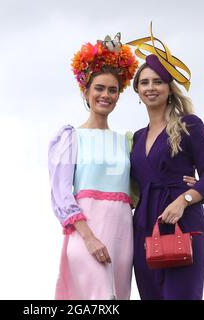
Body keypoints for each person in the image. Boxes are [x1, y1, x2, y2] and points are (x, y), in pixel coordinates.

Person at [127, 23, 204, 300]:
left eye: (157, 81)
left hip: (184, 223)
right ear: (137, 90)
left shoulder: (189, 124)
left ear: (169, 87)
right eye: (144, 82)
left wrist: (185, 199)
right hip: (144, 227)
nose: (150, 88)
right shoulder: (137, 138)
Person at [47, 34, 139, 299]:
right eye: (99, 88)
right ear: (85, 92)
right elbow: (61, 194)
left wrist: (185, 182)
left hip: (122, 235)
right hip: (85, 233)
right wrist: (89, 238)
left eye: (112, 90)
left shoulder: (126, 142)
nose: (105, 95)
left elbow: (143, 185)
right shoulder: (69, 137)